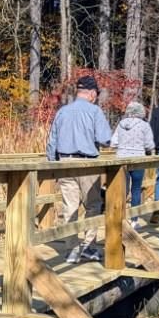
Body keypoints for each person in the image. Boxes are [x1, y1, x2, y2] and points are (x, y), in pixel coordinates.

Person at [47, 75, 113, 263]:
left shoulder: (62, 112)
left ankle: (71, 250)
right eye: (96, 94)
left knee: (69, 206)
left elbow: (52, 141)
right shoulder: (94, 111)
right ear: (92, 93)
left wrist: (52, 165)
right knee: (93, 205)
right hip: (87, 164)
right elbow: (105, 139)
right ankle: (89, 246)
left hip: (65, 163)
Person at [110, 101, 154, 229]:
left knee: (122, 189)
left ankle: (119, 218)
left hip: (121, 159)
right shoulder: (144, 125)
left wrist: (123, 146)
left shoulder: (121, 124)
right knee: (136, 189)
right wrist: (148, 151)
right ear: (141, 112)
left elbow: (113, 143)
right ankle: (134, 220)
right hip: (138, 159)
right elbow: (149, 145)